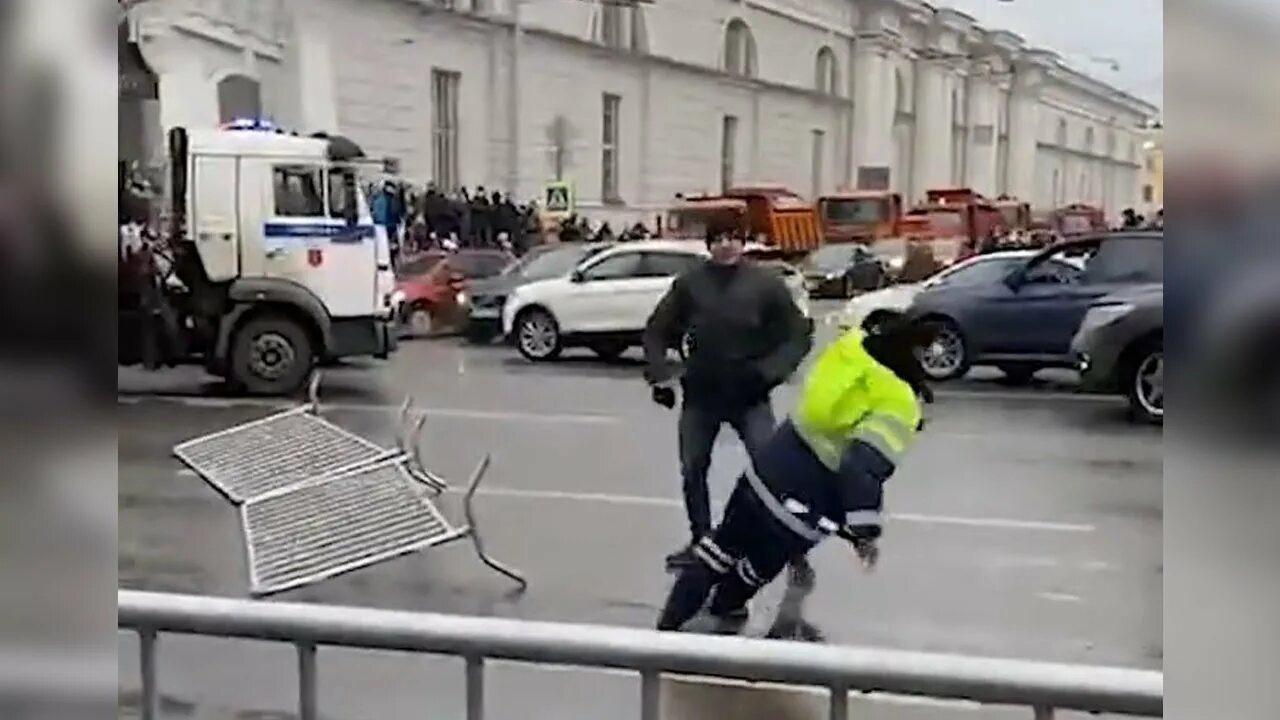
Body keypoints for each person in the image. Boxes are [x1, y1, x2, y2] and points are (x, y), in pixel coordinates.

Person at [655, 315, 932, 634]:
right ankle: (721, 616)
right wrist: (864, 534)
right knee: (758, 567)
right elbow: (861, 467)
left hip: (764, 474)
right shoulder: (897, 401)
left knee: (719, 548)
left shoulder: (851, 351)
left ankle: (667, 627)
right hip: (803, 504)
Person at [643, 225, 813, 569]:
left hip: (750, 394)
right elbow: (658, 329)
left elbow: (797, 336)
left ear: (743, 242)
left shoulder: (765, 285)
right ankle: (700, 541)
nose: (726, 245)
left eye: (733, 238)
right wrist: (659, 376)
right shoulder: (691, 284)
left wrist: (767, 373)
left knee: (771, 471)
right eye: (719, 239)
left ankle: (789, 548)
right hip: (702, 395)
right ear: (709, 245)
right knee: (693, 469)